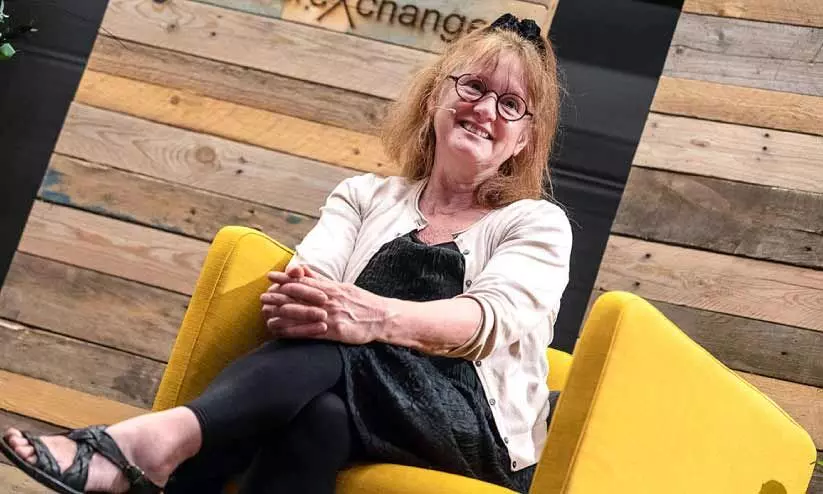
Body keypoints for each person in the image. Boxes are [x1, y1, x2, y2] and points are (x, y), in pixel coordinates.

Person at [1, 13, 571, 494]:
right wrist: (314, 304)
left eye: (510, 104)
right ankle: (147, 454)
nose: (486, 109)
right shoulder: (364, 196)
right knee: (321, 414)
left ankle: (146, 446)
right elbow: (311, 282)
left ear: (523, 140)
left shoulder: (535, 223)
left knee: (338, 344)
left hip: (471, 423)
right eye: (472, 87)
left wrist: (367, 317)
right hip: (359, 392)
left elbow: (486, 322)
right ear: (434, 99)